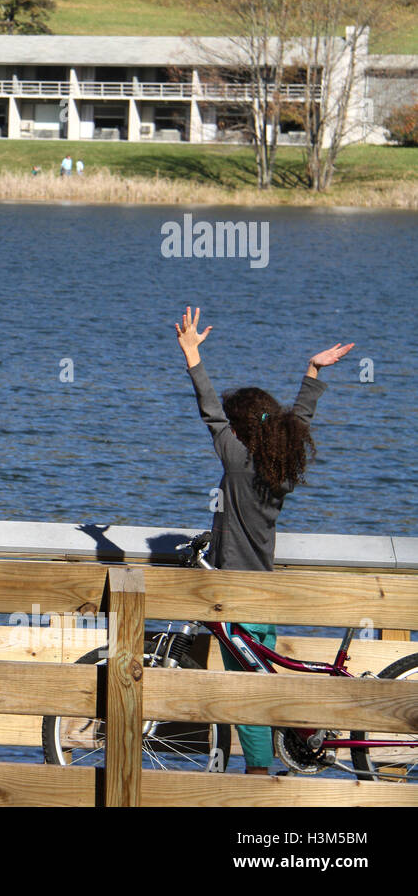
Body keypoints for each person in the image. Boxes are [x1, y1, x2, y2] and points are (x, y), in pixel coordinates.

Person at [173, 306, 353, 775]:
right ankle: (284, 745)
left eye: (232, 427)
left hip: (236, 591)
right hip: (266, 591)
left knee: (248, 690)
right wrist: (312, 372)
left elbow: (209, 410)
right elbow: (300, 421)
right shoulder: (280, 468)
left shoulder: (236, 463)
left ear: (240, 431)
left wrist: (192, 354)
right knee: (262, 678)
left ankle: (257, 773)